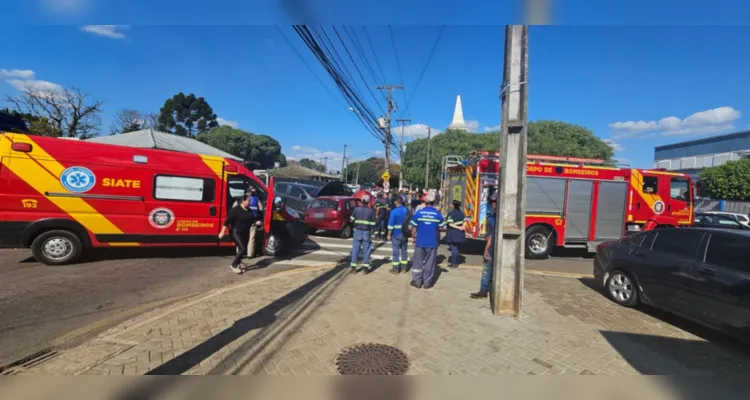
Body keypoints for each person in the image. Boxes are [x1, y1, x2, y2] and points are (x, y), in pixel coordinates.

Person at [219, 194, 263, 274]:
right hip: (236, 231)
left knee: (241, 249)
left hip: (245, 232)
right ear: (243, 201)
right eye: (248, 201)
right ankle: (234, 265)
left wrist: (257, 222)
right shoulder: (235, 210)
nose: (250, 203)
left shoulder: (249, 210)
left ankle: (238, 264)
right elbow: (227, 221)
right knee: (243, 249)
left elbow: (252, 220)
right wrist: (222, 232)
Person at [409, 193, 445, 289]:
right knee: (430, 262)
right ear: (434, 203)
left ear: (425, 202)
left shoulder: (419, 213)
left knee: (418, 262)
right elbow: (442, 228)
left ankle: (417, 281)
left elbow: (414, 227)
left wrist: (413, 237)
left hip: (420, 241)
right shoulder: (438, 215)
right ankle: (427, 282)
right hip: (432, 242)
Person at [471, 195, 497, 298]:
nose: (493, 205)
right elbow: (490, 235)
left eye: (495, 203)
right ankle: (484, 290)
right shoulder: (491, 219)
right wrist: (486, 249)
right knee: (487, 269)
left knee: (491, 270)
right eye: (492, 203)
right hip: (493, 248)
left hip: (499, 249)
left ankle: (488, 289)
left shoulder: (499, 219)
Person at [350, 194, 377, 274]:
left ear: (361, 201)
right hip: (367, 232)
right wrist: (372, 231)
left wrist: (355, 224)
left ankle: (354, 268)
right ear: (368, 202)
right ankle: (365, 269)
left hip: (357, 231)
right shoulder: (371, 211)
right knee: (367, 250)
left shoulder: (356, 209)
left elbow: (351, 220)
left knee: (355, 250)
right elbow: (373, 223)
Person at [387, 197, 409, 275]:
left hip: (396, 234)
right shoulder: (407, 210)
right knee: (404, 251)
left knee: (395, 252)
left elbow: (390, 225)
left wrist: (389, 234)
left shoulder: (393, 212)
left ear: (396, 202)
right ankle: (404, 268)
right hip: (405, 234)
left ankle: (395, 269)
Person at [445, 200, 466, 268]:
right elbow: (465, 221)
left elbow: (450, 224)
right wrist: (462, 226)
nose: (450, 204)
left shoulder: (451, 214)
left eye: (451, 204)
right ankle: (456, 262)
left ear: (453, 205)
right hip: (460, 233)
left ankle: (454, 263)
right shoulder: (462, 213)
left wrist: (459, 227)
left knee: (453, 248)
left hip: (453, 233)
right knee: (457, 248)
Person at [246, 187, 264, 258]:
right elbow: (261, 208)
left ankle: (240, 252)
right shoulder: (256, 199)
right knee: (251, 238)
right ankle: (250, 254)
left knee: (241, 237)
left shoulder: (242, 199)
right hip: (253, 221)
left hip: (243, 221)